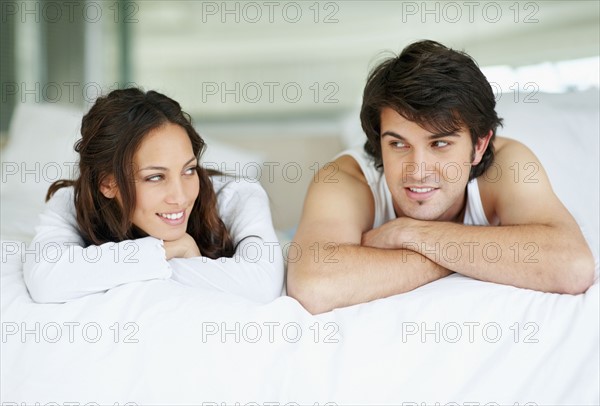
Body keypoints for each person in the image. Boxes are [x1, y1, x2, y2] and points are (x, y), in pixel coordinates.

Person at [287, 40, 595, 314]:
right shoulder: (345, 180)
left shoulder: (507, 165)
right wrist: (461, 255)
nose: (418, 170)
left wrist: (409, 234)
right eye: (398, 144)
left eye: (440, 144)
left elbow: (572, 265)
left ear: (478, 146)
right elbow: (315, 284)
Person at [24, 88, 284, 303]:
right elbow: (46, 280)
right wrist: (169, 249)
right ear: (107, 183)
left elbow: (261, 283)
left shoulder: (238, 196)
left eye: (189, 170)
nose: (180, 197)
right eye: (155, 177)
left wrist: (169, 262)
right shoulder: (73, 202)